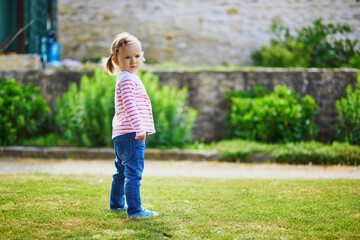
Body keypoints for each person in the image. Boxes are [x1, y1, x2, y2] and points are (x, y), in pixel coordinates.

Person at [104, 32, 158, 218]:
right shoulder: (127, 78)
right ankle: (135, 210)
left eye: (136, 56)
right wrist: (139, 128)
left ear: (142, 56)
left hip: (123, 135)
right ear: (117, 60)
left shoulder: (128, 77)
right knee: (133, 173)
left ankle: (116, 204)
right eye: (127, 57)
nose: (133, 60)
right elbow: (129, 105)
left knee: (121, 172)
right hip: (131, 134)